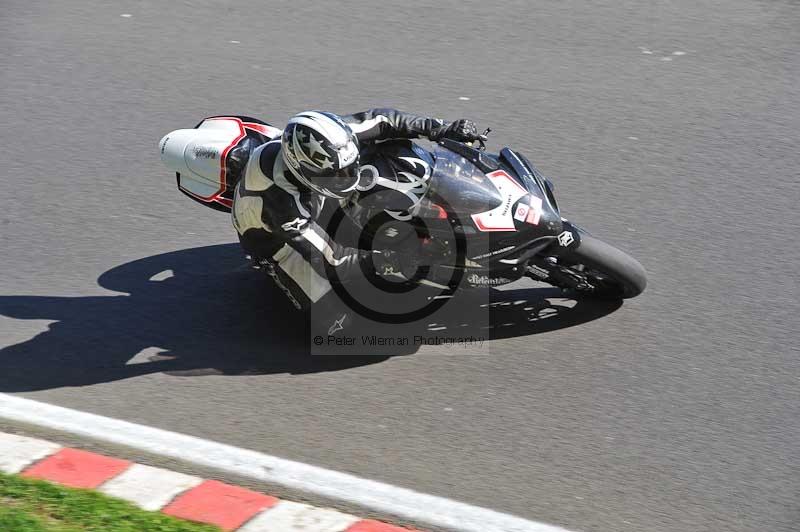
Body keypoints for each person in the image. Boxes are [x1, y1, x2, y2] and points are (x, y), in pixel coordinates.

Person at [231, 109, 480, 335]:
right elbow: (331, 260)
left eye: (348, 169)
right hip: (279, 244)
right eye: (337, 175)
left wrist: (439, 128)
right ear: (302, 170)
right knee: (338, 330)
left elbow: (384, 120)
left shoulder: (335, 141)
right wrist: (388, 260)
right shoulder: (282, 204)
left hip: (316, 198)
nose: (348, 178)